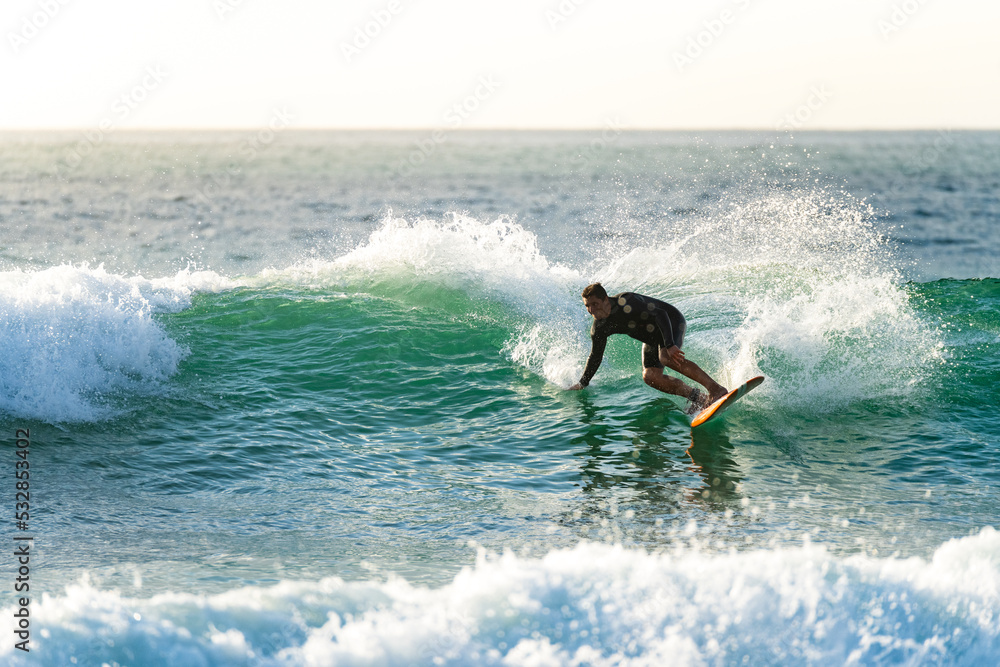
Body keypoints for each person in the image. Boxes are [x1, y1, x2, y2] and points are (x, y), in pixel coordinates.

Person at [567, 283, 728, 412]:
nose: (591, 310)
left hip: (670, 321)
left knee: (666, 357)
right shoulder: (600, 327)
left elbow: (660, 314)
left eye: (594, 304)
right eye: (587, 306)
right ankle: (699, 399)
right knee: (650, 377)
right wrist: (582, 383)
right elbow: (595, 356)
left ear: (605, 300)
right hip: (652, 337)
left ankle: (716, 389)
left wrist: (670, 344)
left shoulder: (626, 302)